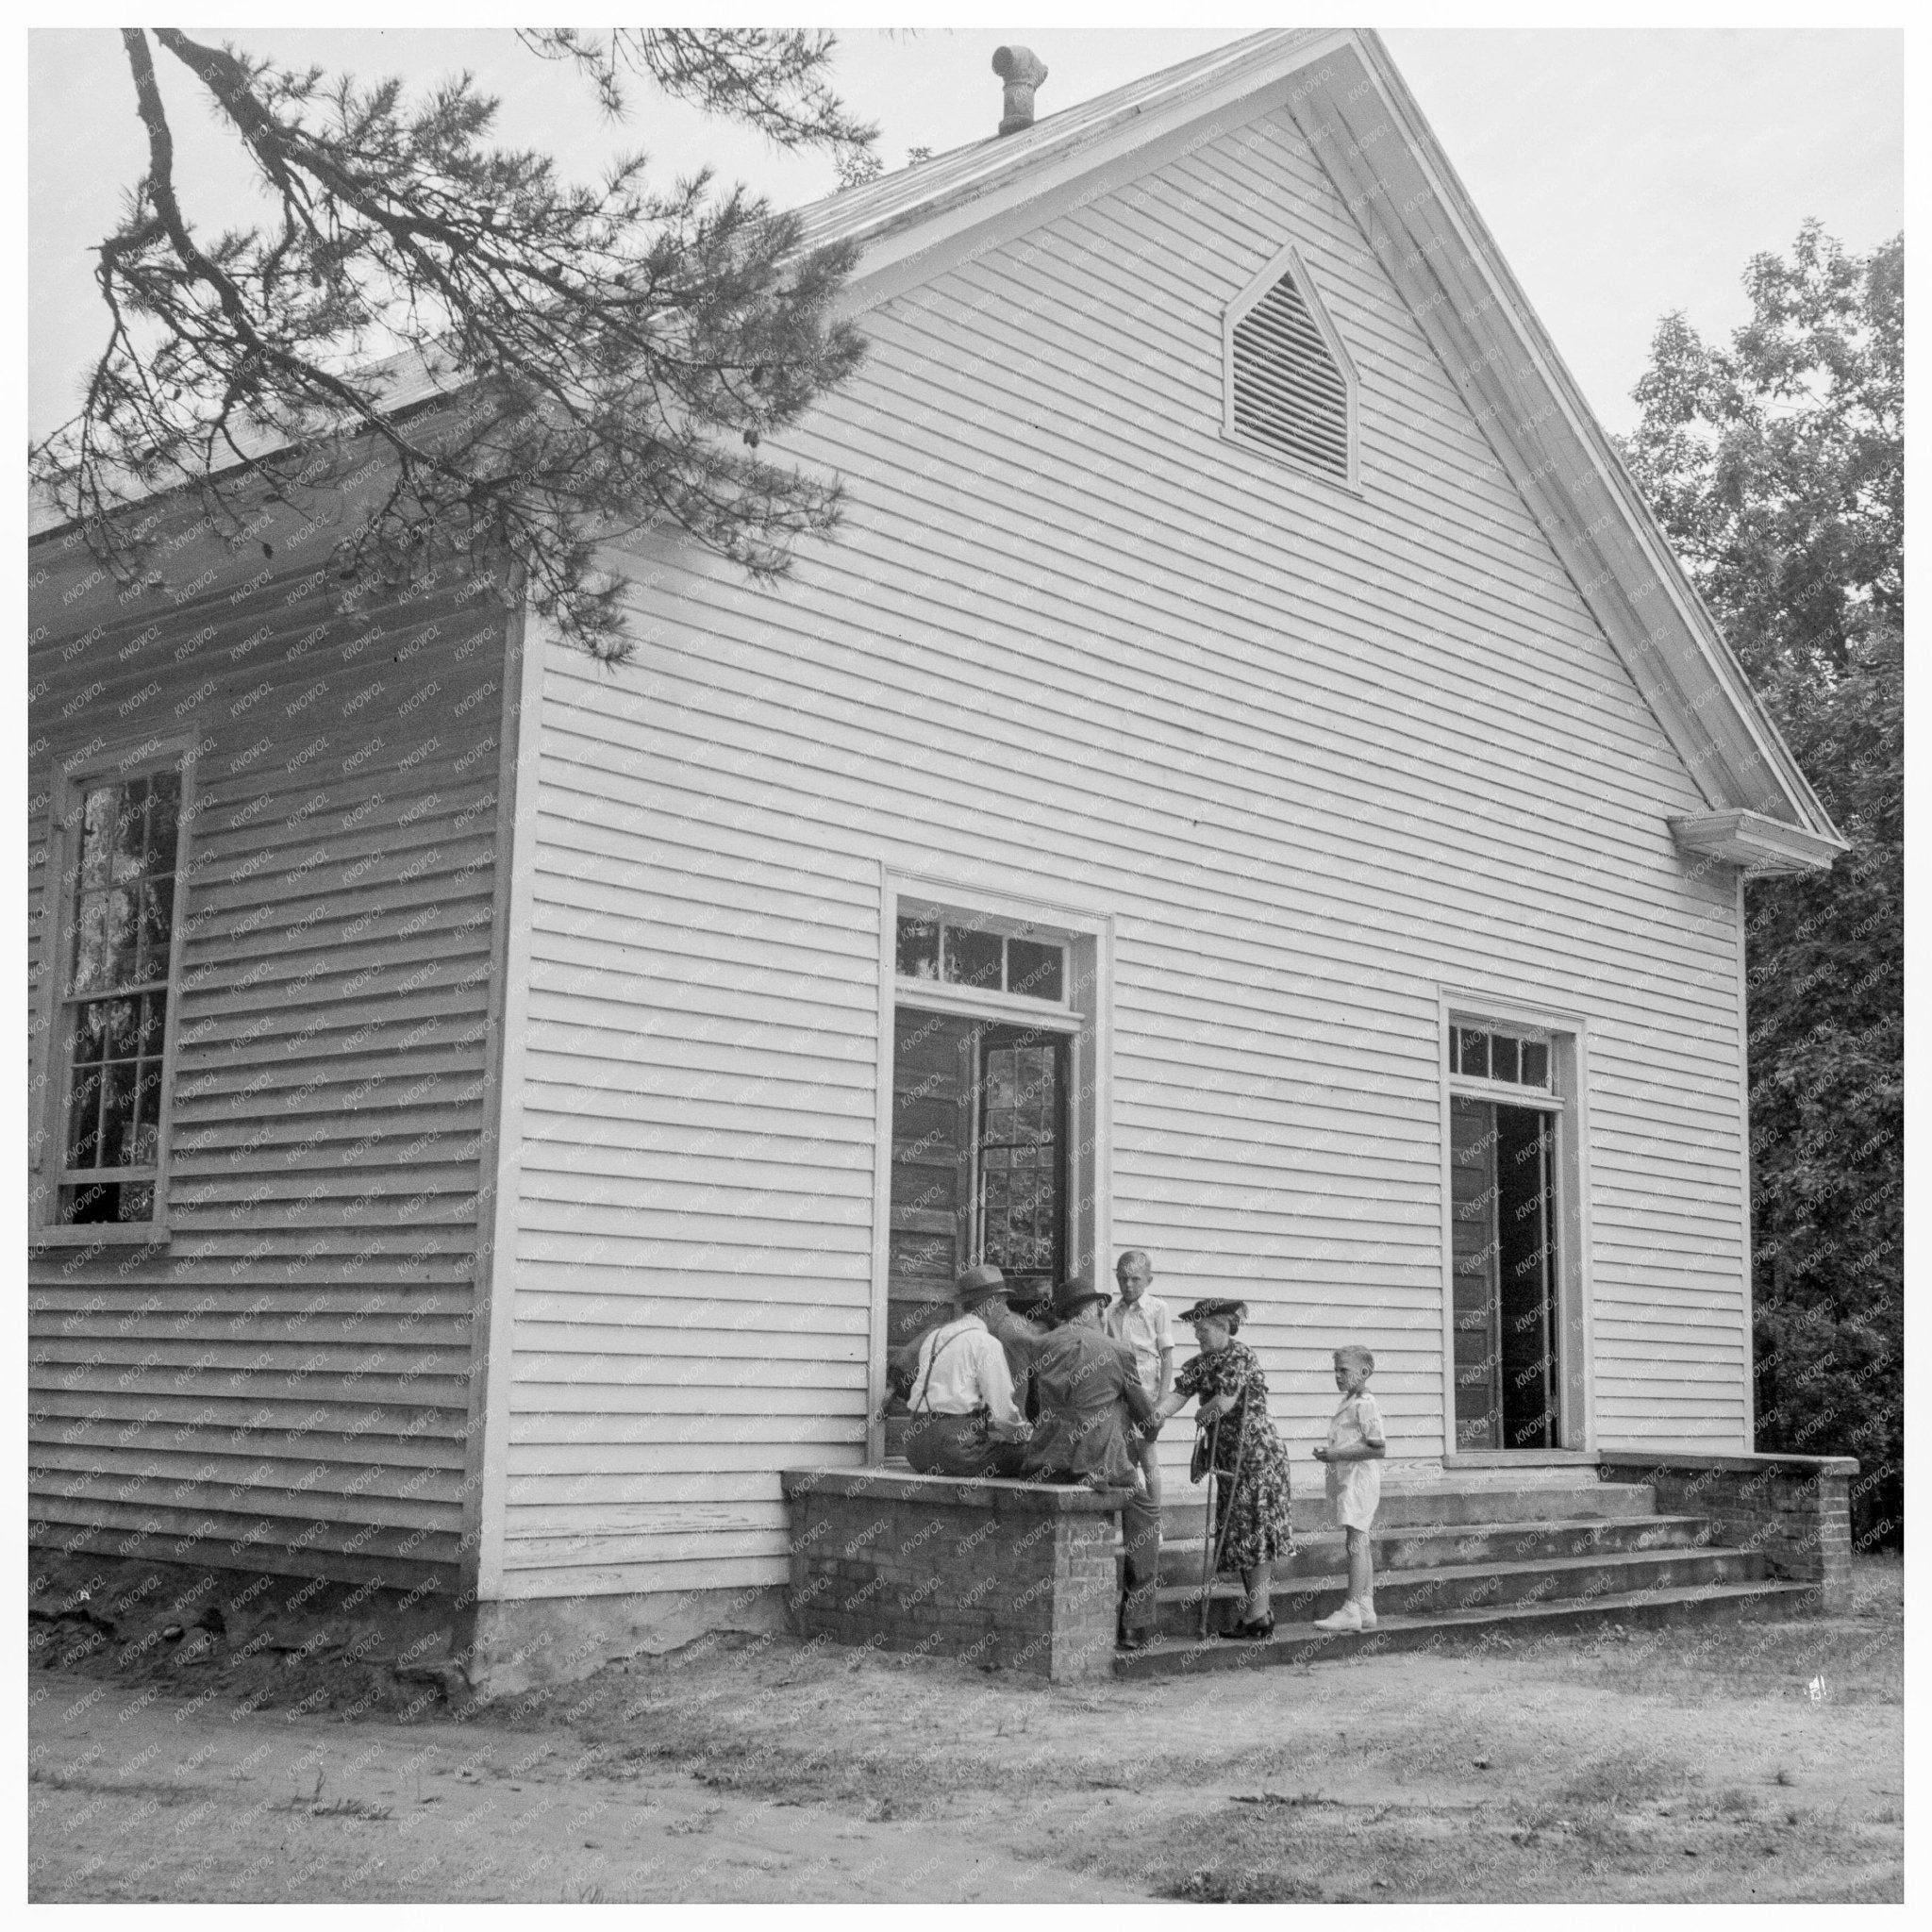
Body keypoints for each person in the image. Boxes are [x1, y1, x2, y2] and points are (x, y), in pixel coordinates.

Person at [1021, 1272, 1163, 1651]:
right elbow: (1149, 1423)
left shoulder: (1041, 1345)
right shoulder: (1117, 1351)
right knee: (1146, 1514)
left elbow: (1032, 1411)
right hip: (1099, 1466)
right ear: (1097, 1308)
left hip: (1047, 1462)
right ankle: (1135, 1625)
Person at [1149, 1298, 1296, 1641]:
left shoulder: (1240, 1355)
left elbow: (1225, 1402)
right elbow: (1176, 1396)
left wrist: (1203, 1415)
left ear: (1223, 1326)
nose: (1198, 1335)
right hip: (1230, 1461)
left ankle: (1258, 1614)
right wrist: (1153, 1415)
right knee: (1239, 1534)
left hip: (1258, 1459)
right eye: (1196, 1330)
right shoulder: (1201, 1364)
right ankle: (1258, 1614)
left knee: (1256, 1533)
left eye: (1203, 1329)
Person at [898, 1264, 1033, 1478]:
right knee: (1032, 1455)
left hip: (916, 1450)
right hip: (956, 1451)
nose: (1007, 1312)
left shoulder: (935, 1337)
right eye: (1003, 1304)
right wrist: (1024, 1433)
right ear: (989, 1305)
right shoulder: (985, 1343)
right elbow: (1003, 1411)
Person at [1312, 1343, 1386, 1631]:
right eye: (1335, 1371)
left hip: (1360, 1480)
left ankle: (1351, 1608)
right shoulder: (1350, 1402)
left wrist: (1336, 1455)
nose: (1338, 1376)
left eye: (1344, 1370)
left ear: (1364, 1372)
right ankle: (1366, 1605)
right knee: (1359, 1540)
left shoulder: (1365, 1404)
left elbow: (1378, 1448)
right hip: (1350, 1479)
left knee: (1355, 1541)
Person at [1104, 1249, 1175, 1507]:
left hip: (1147, 1394)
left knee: (1147, 1456)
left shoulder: (1157, 1308)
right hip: (1121, 1396)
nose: (1128, 1284)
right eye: (1122, 1279)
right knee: (1123, 1458)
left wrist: (1162, 1399)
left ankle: (1154, 1521)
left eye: (1135, 1279)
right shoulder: (1111, 1311)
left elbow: (1167, 1357)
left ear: (1148, 1281)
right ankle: (1131, 1523)